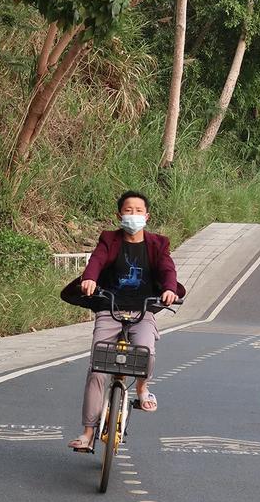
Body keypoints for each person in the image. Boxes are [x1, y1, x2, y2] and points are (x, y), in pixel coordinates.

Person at [62, 191, 185, 451]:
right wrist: (90, 278)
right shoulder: (110, 240)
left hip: (143, 311)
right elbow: (97, 260)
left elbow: (167, 268)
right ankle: (87, 432)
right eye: (128, 210)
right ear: (119, 215)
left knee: (146, 352)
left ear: (147, 216)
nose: (133, 215)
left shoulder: (157, 244)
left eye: (138, 211)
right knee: (97, 368)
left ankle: (142, 389)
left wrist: (169, 289)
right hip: (110, 309)